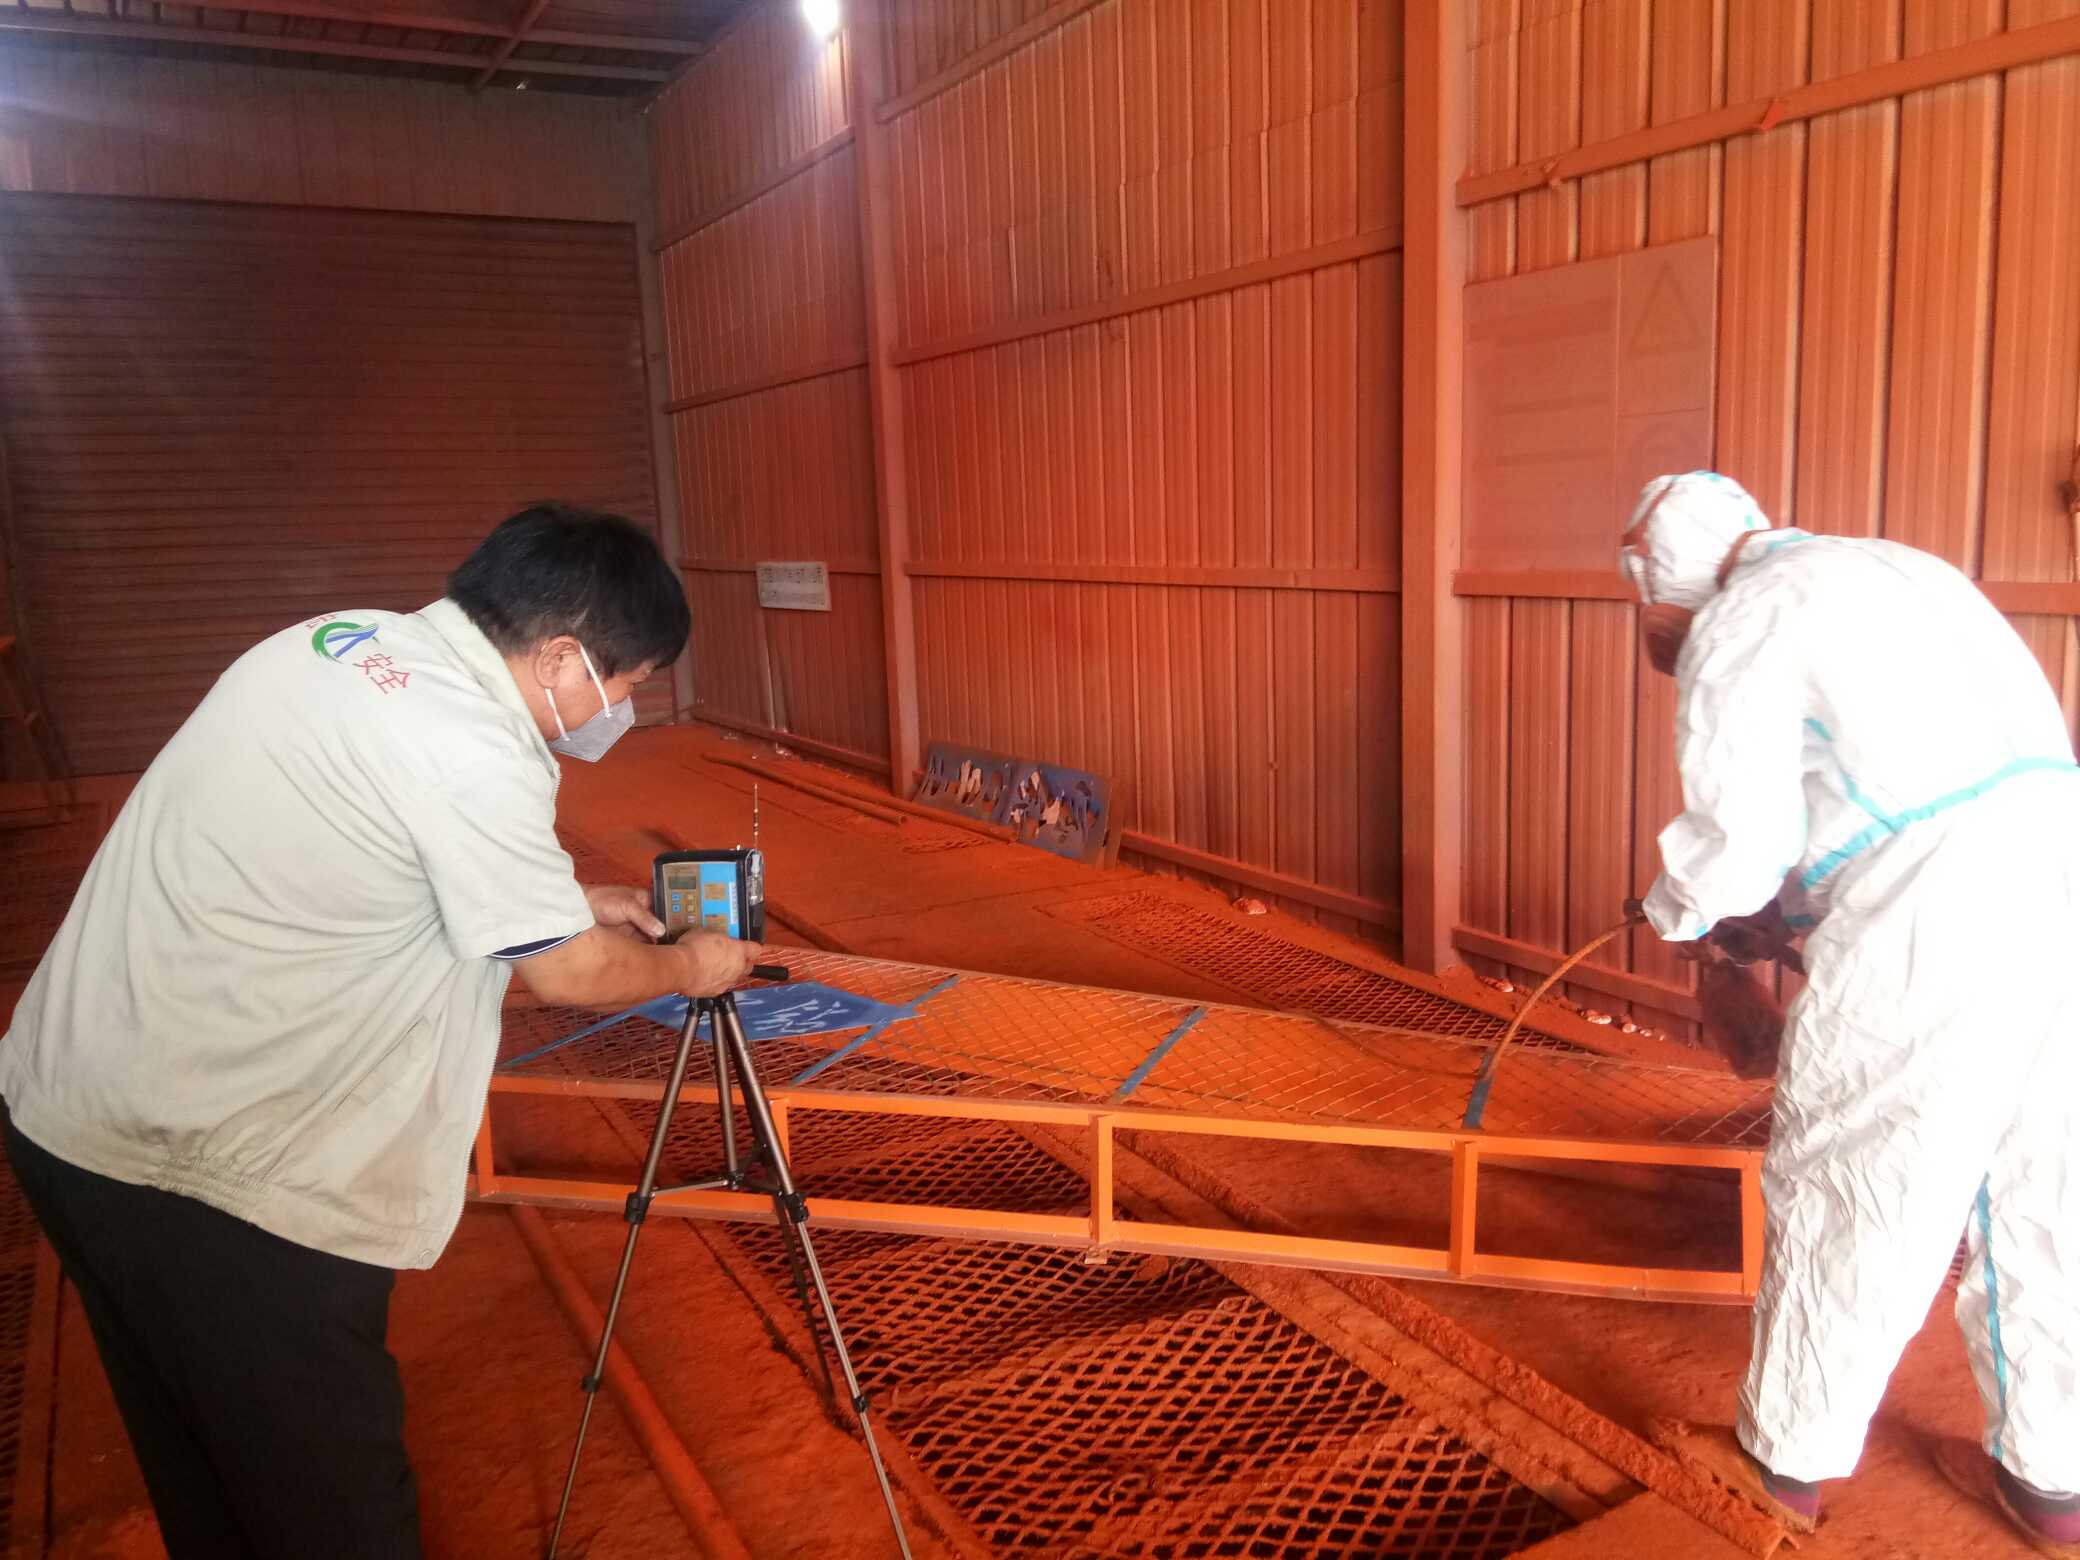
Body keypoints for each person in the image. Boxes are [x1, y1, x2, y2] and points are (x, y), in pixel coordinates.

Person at [0, 503, 763, 1559]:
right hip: (211, 1173)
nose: (622, 709)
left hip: (68, 1113)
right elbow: (571, 974)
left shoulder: (340, 641)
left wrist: (565, 898)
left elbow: (376, 839)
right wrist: (693, 965)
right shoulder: (472, 747)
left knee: (207, 1464)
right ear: (560, 658)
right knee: (334, 1511)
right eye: (625, 683)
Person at [1620, 472, 2080, 1552]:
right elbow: (1901, 791)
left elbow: (1736, 841)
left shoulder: (1742, 617)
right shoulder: (1901, 572)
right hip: (2058, 881)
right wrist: (1788, 911)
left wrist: (1682, 920)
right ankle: (2052, 1481)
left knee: (1860, 1172)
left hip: (1930, 922)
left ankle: (1779, 1466)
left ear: (1662, 585)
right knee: (2045, 1185)